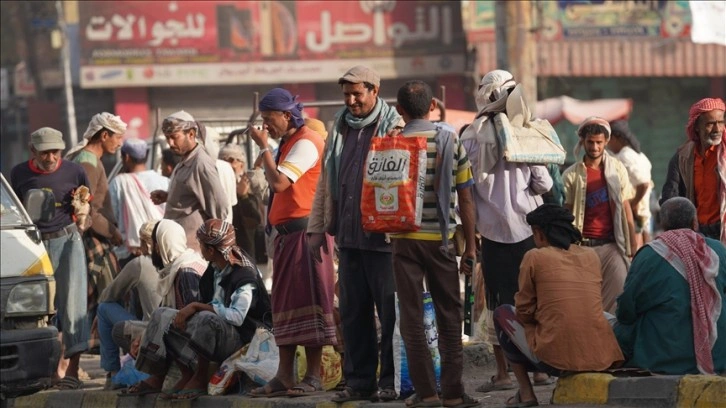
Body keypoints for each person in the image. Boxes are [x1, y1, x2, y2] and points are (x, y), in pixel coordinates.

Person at [308, 65, 403, 403]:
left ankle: (390, 382)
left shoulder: (395, 126)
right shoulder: (340, 128)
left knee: (390, 316)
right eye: (346, 94)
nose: (351, 101)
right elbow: (325, 182)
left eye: (357, 94)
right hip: (348, 238)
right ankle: (360, 382)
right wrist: (316, 228)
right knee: (353, 314)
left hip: (383, 241)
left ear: (374, 91)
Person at [460, 70, 553, 392]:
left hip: (492, 237)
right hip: (527, 233)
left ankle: (504, 374)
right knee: (532, 301)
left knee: (500, 307)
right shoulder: (523, 131)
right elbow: (544, 182)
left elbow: (465, 194)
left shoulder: (470, 136)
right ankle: (539, 369)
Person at [391, 80, 479, 408]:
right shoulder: (449, 141)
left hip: (401, 240)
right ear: (432, 107)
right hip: (439, 240)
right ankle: (453, 394)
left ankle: (426, 393)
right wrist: (469, 246)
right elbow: (466, 200)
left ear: (399, 110)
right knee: (449, 315)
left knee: (412, 318)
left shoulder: (389, 142)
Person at [244, 88, 337, 397]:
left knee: (310, 304)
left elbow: (280, 183)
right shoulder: (289, 143)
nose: (265, 126)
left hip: (306, 235)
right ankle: (285, 375)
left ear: (286, 116)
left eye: (268, 119)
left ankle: (313, 376)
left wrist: (265, 148)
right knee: (285, 306)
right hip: (287, 237)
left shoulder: (307, 142)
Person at [493, 204, 624, 407]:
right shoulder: (591, 256)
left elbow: (524, 311)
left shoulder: (534, 257)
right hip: (600, 355)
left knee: (502, 314)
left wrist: (542, 316)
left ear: (539, 233)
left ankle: (526, 394)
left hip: (554, 358)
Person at [134, 219, 271, 401]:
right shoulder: (214, 269)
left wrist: (196, 307)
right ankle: (173, 375)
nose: (199, 248)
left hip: (245, 339)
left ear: (211, 250)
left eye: (201, 245)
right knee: (162, 316)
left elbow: (237, 317)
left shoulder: (244, 275)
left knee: (206, 317)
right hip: (219, 333)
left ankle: (200, 377)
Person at [10, 127, 91, 390]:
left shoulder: (75, 171)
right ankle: (49, 372)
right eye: (45, 153)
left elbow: (86, 199)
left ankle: (73, 372)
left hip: (67, 242)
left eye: (55, 152)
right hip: (33, 245)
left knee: (74, 308)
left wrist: (82, 209)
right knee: (39, 310)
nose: (51, 157)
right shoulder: (19, 174)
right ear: (33, 151)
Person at [614, 197, 726, 375]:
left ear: (663, 224)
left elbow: (626, 312)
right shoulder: (718, 251)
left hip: (662, 359)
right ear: (695, 223)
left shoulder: (649, 255)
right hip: (718, 358)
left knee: (618, 327)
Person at [120, 219, 208, 396]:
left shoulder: (186, 271)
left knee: (162, 322)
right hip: (182, 332)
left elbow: (192, 317)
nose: (153, 249)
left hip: (199, 341)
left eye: (155, 243)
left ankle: (163, 377)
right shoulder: (174, 270)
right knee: (123, 330)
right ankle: (159, 377)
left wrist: (152, 333)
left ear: (161, 245)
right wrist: (144, 336)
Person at [562, 117, 636, 314]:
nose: (594, 147)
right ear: (583, 142)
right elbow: (567, 213)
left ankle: (612, 343)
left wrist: (633, 246)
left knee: (618, 299)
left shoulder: (617, 169)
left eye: (598, 142)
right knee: (584, 303)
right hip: (583, 247)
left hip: (612, 246)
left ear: (605, 142)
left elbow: (626, 207)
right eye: (590, 142)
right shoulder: (571, 175)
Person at [66, 112, 127, 325]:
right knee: (110, 296)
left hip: (97, 235)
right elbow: (86, 208)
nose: (120, 143)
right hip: (94, 238)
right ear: (103, 135)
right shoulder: (88, 162)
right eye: (118, 137)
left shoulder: (90, 159)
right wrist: (113, 232)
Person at [150, 111, 229, 253]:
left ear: (191, 134)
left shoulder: (201, 163)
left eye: (174, 137)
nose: (170, 143)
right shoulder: (185, 160)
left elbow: (220, 206)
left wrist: (213, 245)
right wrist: (169, 196)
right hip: (178, 245)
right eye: (168, 138)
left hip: (191, 249)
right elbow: (192, 194)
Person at [95, 220, 161, 389]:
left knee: (103, 309)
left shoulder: (141, 263)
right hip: (174, 331)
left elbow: (107, 295)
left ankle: (113, 372)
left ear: (146, 243)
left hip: (152, 332)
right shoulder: (183, 260)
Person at [661, 98, 725, 244]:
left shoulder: (724, 155)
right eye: (710, 124)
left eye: (720, 122)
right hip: (696, 234)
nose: (717, 129)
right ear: (696, 126)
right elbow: (670, 198)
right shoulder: (682, 158)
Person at [108, 139, 169, 267]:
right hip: (161, 248)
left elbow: (112, 216)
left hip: (131, 253)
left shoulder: (119, 182)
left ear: (126, 157)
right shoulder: (165, 181)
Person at [607, 120, 654, 249]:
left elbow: (643, 184)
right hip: (643, 217)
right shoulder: (639, 155)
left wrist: (632, 203)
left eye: (608, 140)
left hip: (634, 216)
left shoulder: (625, 156)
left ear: (616, 138)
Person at [218, 143, 262, 258]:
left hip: (244, 250)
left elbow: (253, 221)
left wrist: (243, 197)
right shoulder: (216, 185)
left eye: (232, 160)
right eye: (223, 160)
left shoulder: (250, 185)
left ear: (241, 165)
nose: (227, 164)